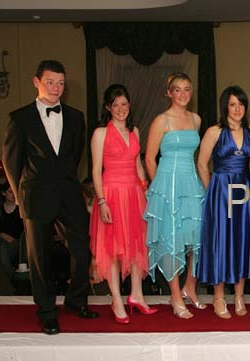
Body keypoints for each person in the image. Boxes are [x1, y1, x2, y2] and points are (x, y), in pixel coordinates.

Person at [2, 60, 97, 334]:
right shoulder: (20, 118)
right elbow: (11, 162)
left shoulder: (76, 117)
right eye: (50, 82)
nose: (56, 88)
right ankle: (46, 311)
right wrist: (20, 195)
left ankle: (76, 301)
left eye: (61, 83)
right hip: (36, 195)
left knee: (81, 250)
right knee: (39, 258)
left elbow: (75, 156)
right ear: (36, 82)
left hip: (69, 193)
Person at [89, 84, 157, 324]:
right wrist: (102, 201)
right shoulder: (100, 134)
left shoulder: (135, 131)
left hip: (134, 193)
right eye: (115, 104)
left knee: (138, 245)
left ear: (129, 105)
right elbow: (96, 171)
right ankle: (117, 298)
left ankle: (136, 294)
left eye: (124, 104)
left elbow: (137, 164)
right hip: (111, 194)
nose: (120, 109)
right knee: (114, 250)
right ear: (108, 107)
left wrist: (145, 187)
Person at [144, 72, 206, 319]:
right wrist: (159, 187)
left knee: (198, 237)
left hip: (190, 181)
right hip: (168, 182)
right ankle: (175, 296)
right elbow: (149, 158)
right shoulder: (162, 120)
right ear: (169, 93)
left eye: (187, 89)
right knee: (172, 238)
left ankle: (189, 286)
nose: (183, 94)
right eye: (177, 89)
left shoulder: (196, 119)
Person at [196, 86, 250, 319]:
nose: (237, 108)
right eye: (232, 104)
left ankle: (239, 296)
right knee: (221, 242)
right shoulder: (214, 131)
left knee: (242, 240)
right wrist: (211, 190)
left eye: (241, 104)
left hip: (244, 190)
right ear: (225, 107)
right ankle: (219, 297)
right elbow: (202, 164)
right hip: (221, 189)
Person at [0, 183, 24, 280]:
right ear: (3, 193)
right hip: (4, 242)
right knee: (3, 246)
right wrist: (1, 234)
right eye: (10, 192)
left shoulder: (22, 208)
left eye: (14, 191)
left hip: (21, 242)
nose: (13, 194)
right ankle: (12, 278)